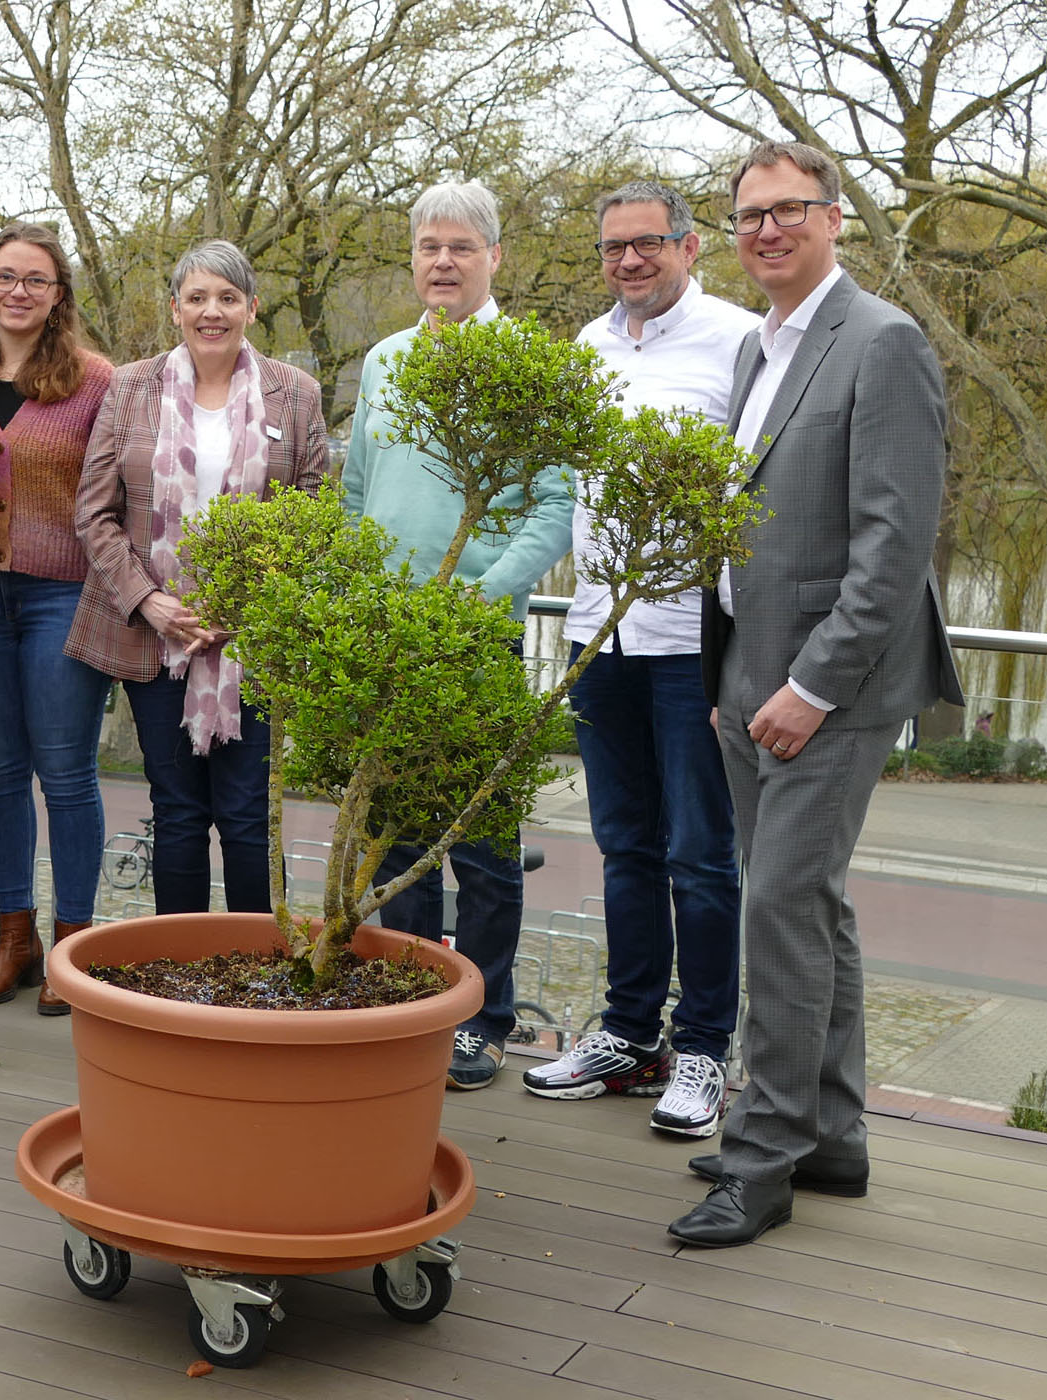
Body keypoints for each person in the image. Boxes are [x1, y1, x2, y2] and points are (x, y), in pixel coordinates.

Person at [670, 140, 960, 1247]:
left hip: (829, 688)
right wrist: (730, 679)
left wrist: (806, 688)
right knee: (811, 906)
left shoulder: (882, 343)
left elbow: (894, 548)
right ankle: (832, 1133)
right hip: (748, 674)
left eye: (790, 211)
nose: (768, 231)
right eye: (749, 216)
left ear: (836, 218)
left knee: (780, 906)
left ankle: (764, 1154)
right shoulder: (761, 348)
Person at [520, 181, 758, 1138]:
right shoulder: (591, 346)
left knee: (702, 858)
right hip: (598, 634)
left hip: (691, 644)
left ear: (691, 247)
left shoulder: (741, 342)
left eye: (647, 244)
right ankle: (628, 1033)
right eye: (614, 248)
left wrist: (743, 650)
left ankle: (705, 1048)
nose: (629, 263)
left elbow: (758, 499)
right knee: (625, 850)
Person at [342, 180, 572, 1092]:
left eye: (461, 247)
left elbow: (554, 509)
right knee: (399, 842)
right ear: (412, 259)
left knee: (481, 845)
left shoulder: (524, 364)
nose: (443, 261)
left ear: (494, 258)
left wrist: (488, 598)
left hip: (476, 639)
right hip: (389, 638)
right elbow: (358, 491)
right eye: (429, 247)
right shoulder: (386, 361)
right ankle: (410, 1004)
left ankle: (482, 1019)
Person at [68, 240, 329, 918]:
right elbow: (95, 512)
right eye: (197, 298)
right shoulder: (130, 387)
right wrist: (149, 601)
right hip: (157, 640)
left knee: (246, 817)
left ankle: (254, 973)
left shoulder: (295, 394)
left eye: (227, 297)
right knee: (178, 812)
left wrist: (252, 605)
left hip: (255, 641)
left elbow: (314, 513)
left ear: (251, 307)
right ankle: (176, 971)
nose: (212, 311)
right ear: (176, 308)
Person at [0, 224, 116, 1015]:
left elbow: (116, 495)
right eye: (4, 276)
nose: (17, 290)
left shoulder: (96, 382)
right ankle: (16, 937)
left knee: (68, 774)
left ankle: (74, 947)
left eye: (35, 280)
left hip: (63, 598)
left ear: (58, 295)